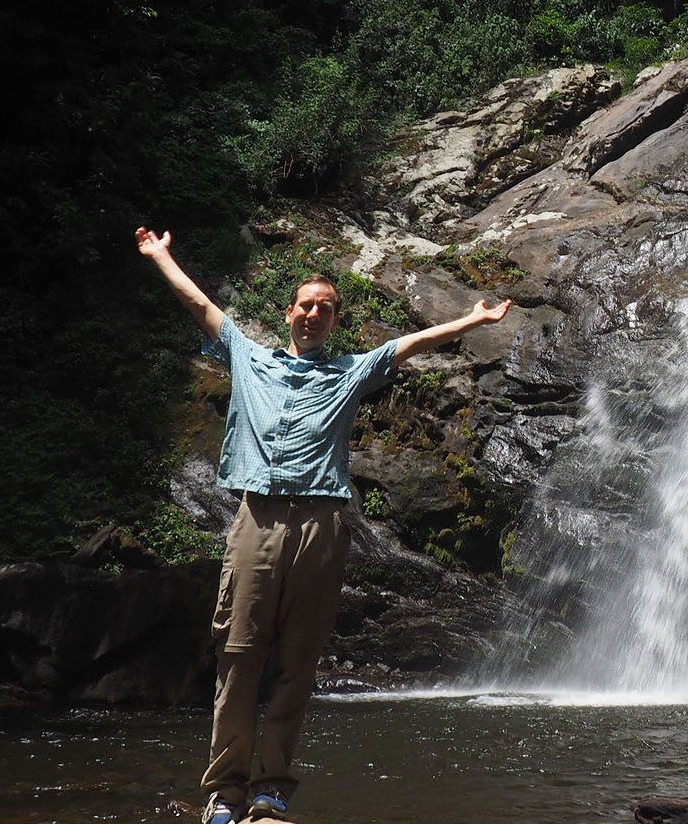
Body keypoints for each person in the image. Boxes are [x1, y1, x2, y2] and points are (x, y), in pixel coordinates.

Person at [135, 226, 512, 824]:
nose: (313, 314)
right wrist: (161, 256)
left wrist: (471, 321)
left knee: (299, 659)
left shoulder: (350, 373)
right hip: (257, 517)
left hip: (322, 523)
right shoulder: (248, 357)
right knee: (238, 653)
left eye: (325, 309)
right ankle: (225, 791)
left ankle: (271, 789)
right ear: (289, 313)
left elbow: (408, 344)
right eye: (306, 305)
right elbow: (200, 304)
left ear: (334, 321)